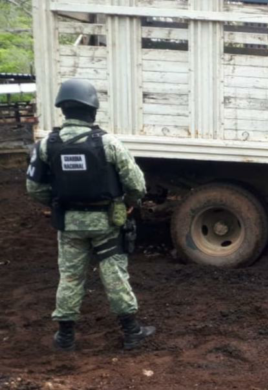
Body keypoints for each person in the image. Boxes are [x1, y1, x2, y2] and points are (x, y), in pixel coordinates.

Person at [26, 78, 155, 351]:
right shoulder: (109, 143)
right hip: (106, 222)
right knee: (114, 275)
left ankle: (65, 337)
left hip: (69, 225)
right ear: (92, 110)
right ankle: (131, 332)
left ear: (64, 110)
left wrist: (57, 203)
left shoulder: (47, 145)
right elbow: (137, 185)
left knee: (70, 276)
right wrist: (129, 203)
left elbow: (34, 187)